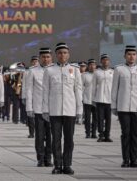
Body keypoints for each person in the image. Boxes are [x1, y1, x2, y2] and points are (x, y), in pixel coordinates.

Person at [42, 42, 83, 175]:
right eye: (60, 53)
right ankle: (57, 165)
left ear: (68, 54)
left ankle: (67, 164)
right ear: (56, 55)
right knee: (56, 139)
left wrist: (79, 110)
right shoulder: (49, 70)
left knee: (69, 140)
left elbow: (78, 91)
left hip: (70, 109)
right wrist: (45, 110)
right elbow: (45, 92)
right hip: (55, 110)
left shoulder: (75, 70)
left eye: (65, 53)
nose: (62, 55)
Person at [111, 45, 137, 168]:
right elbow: (114, 89)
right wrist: (114, 105)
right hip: (123, 106)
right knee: (125, 133)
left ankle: (134, 159)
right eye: (129, 54)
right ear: (125, 56)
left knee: (135, 134)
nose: (131, 57)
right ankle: (126, 159)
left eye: (133, 54)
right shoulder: (119, 69)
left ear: (136, 56)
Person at [26, 48, 53, 167]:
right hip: (38, 108)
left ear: (51, 57)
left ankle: (49, 158)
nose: (45, 59)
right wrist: (29, 108)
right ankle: (40, 158)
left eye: (47, 57)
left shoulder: (55, 70)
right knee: (40, 135)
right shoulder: (33, 71)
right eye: (43, 57)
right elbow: (29, 90)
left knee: (52, 135)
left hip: (53, 109)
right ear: (39, 58)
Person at [92, 54, 114, 142]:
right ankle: (100, 135)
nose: (105, 61)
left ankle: (107, 135)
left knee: (108, 119)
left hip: (109, 99)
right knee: (100, 118)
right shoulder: (97, 72)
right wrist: (93, 99)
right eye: (104, 60)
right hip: (100, 98)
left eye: (107, 60)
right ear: (101, 61)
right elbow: (93, 86)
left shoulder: (113, 72)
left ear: (109, 61)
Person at [82, 59, 97, 138]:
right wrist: (82, 98)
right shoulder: (84, 75)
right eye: (90, 65)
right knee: (87, 118)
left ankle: (94, 133)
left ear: (95, 66)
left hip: (96, 100)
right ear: (88, 66)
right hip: (87, 99)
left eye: (93, 65)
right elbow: (81, 87)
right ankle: (87, 133)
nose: (92, 66)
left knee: (96, 118)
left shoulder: (98, 74)